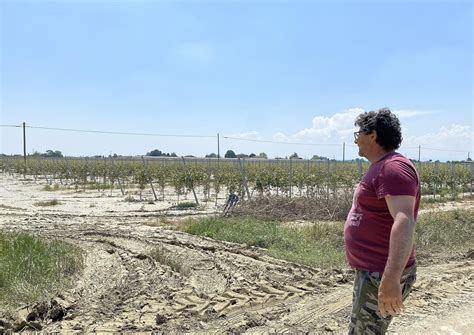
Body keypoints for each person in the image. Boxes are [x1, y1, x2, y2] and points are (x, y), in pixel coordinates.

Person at [344, 108, 420, 334]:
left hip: (380, 272)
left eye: (359, 134)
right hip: (373, 271)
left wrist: (391, 277)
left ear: (373, 135)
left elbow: (404, 220)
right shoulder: (382, 166)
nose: (356, 140)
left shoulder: (392, 167)